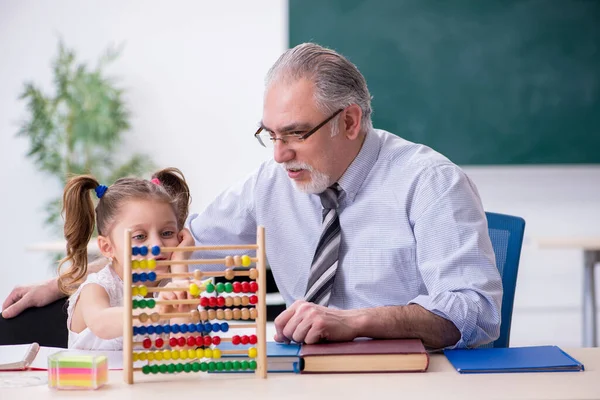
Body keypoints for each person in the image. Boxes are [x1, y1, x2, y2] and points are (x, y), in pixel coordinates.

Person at [3, 43, 502, 350]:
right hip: (304, 372)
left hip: (410, 379)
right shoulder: (270, 184)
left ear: (349, 121)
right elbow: (179, 246)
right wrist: (63, 282)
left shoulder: (429, 182)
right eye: (270, 135)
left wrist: (356, 322)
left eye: (295, 134)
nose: (280, 155)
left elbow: (474, 312)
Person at [58, 167, 194, 350]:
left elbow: (184, 352)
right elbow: (101, 323)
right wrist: (157, 309)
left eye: (167, 232)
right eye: (139, 236)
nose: (157, 245)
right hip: (93, 379)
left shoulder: (170, 287)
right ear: (108, 247)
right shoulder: (97, 288)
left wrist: (180, 269)